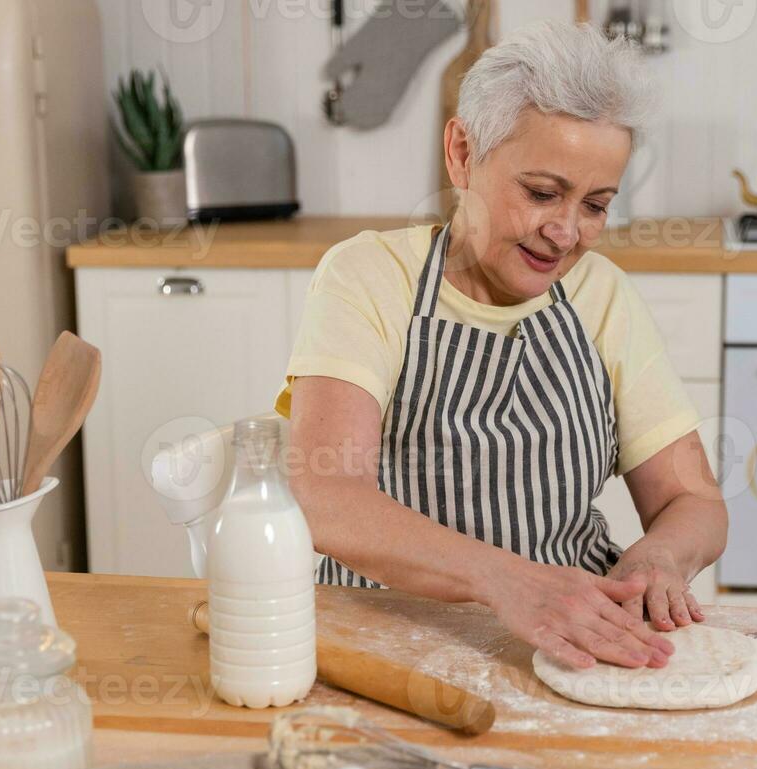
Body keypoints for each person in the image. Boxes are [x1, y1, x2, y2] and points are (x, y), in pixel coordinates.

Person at [276, 20, 727, 671]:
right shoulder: (371, 277)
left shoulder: (603, 295)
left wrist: (660, 558)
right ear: (461, 153)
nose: (566, 231)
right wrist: (505, 580)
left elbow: (697, 504)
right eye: (542, 193)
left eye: (596, 204)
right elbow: (324, 495)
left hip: (572, 642)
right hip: (386, 642)